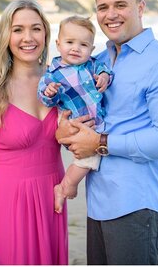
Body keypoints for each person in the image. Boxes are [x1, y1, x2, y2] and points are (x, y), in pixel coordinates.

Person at [56, 0, 158, 264]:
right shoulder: (98, 62)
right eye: (103, 7)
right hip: (98, 202)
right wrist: (65, 130)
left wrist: (100, 143)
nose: (111, 14)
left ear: (140, 8)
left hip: (137, 205)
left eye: (120, 5)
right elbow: (80, 112)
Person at [0, 0, 74, 264]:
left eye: (35, 28)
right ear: (6, 36)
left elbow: (80, 134)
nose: (28, 38)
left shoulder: (61, 82)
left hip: (52, 199)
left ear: (46, 33)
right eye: (18, 29)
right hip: (7, 201)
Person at [38, 16, 111, 213]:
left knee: (93, 156)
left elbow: (106, 71)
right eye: (70, 42)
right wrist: (50, 91)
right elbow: (45, 97)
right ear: (58, 44)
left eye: (83, 44)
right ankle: (66, 186)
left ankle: (68, 185)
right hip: (75, 126)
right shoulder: (53, 73)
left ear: (92, 49)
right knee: (89, 158)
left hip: (94, 124)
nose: (76, 48)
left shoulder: (93, 65)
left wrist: (104, 77)